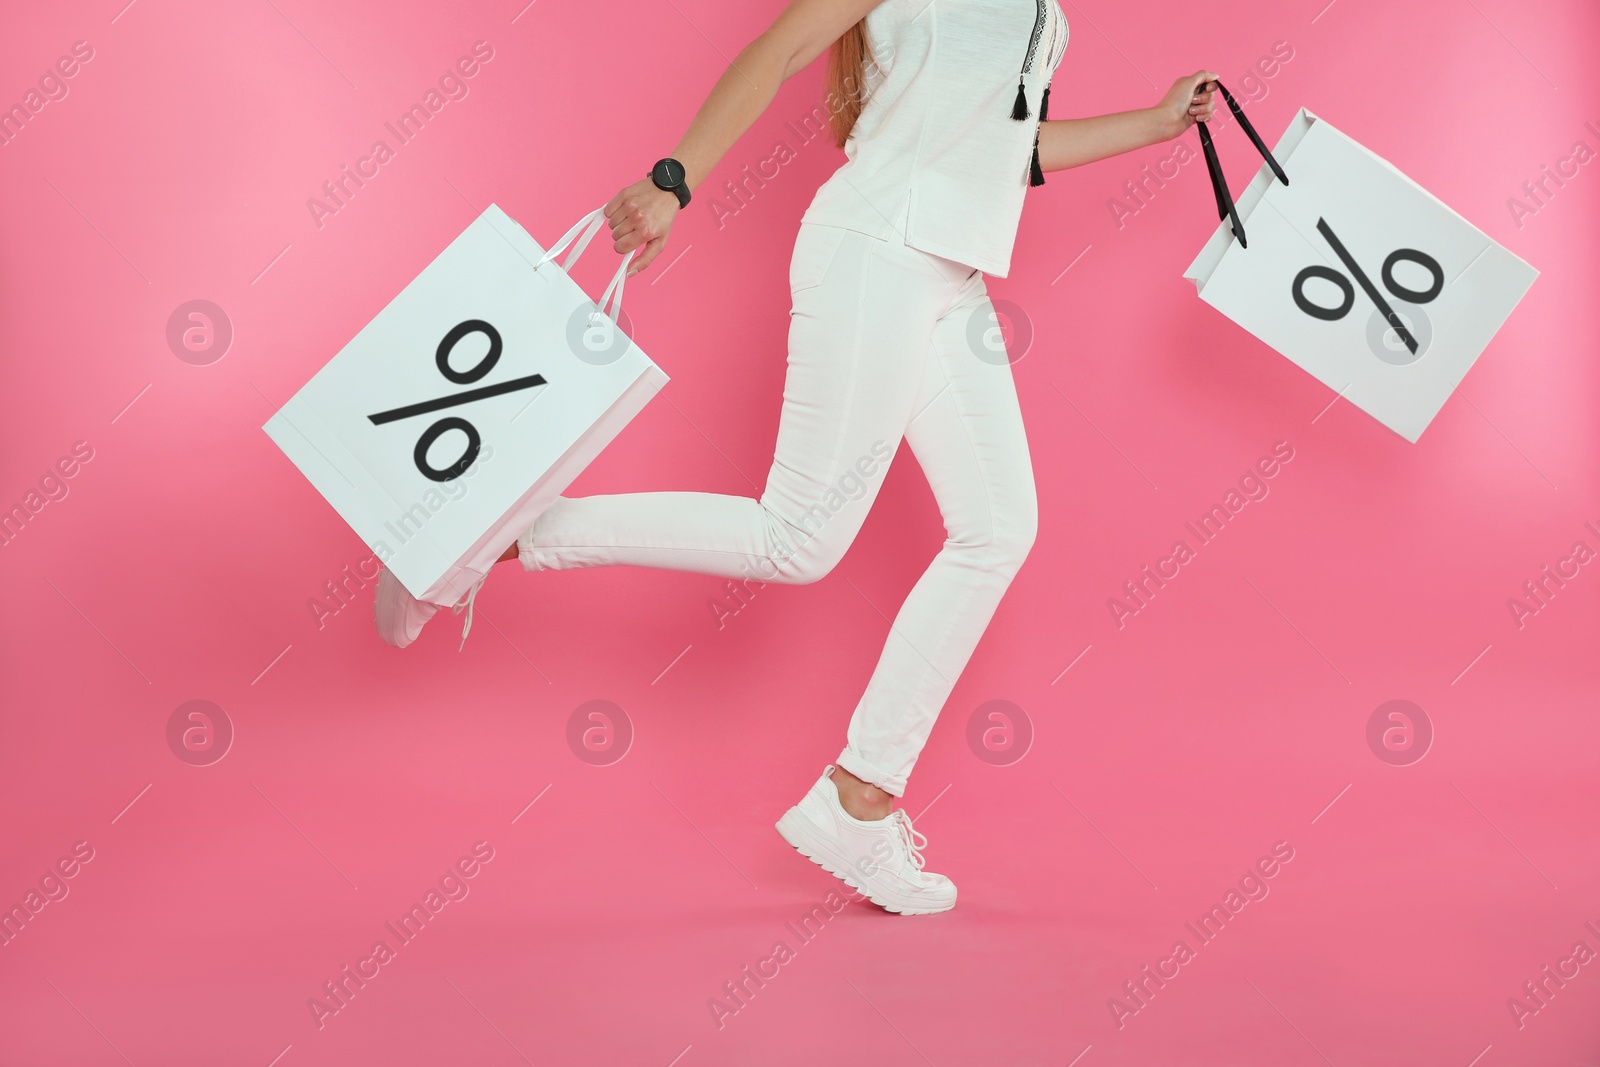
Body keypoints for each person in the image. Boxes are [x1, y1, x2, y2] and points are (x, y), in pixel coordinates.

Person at [376, 0, 1216, 915]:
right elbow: (781, 47)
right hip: (874, 255)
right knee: (799, 539)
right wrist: (672, 180)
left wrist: (1157, 123)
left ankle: (861, 798)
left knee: (998, 528)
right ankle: (501, 533)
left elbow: (1005, 149)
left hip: (950, 274)